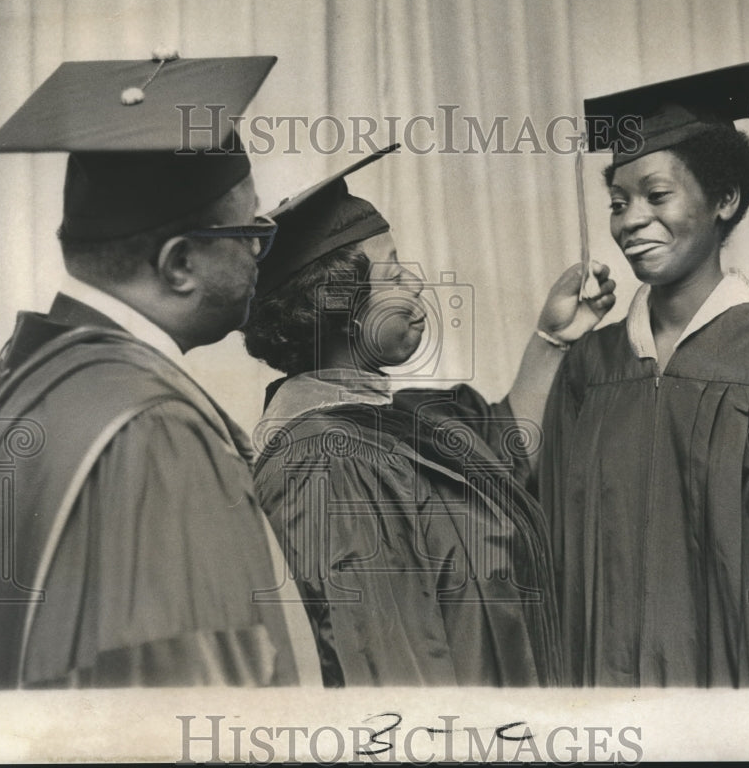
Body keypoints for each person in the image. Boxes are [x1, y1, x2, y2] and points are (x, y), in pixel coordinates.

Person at [0, 54, 318, 689]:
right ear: (179, 264)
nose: (258, 248)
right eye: (250, 227)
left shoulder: (27, 371)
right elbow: (190, 707)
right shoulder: (151, 432)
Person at [540, 61, 749, 687]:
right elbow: (545, 540)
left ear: (725, 200)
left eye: (657, 195)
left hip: (734, 714)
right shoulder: (590, 367)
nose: (631, 220)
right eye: (619, 202)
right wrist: (551, 343)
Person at [242, 145, 616, 686]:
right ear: (339, 305)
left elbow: (504, 449)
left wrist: (552, 339)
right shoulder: (325, 463)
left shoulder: (401, 414)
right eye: (393, 275)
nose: (416, 286)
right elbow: (391, 670)